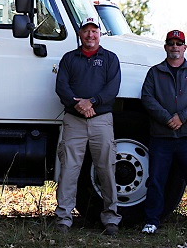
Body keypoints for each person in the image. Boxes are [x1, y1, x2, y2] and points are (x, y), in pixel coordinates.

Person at [140, 30, 187, 236]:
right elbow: (147, 98)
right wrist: (166, 118)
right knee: (156, 180)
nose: (174, 47)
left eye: (178, 43)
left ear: (184, 47)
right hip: (161, 137)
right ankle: (151, 220)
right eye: (171, 43)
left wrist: (182, 116)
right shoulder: (155, 72)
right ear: (165, 47)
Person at [54, 17, 122, 236]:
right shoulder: (69, 59)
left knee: (106, 169)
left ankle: (111, 218)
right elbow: (61, 87)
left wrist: (91, 102)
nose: (90, 35)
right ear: (80, 34)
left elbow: (112, 88)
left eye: (94, 31)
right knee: (69, 170)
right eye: (86, 31)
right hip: (74, 121)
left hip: (101, 120)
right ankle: (63, 218)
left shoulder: (110, 59)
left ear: (100, 34)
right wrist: (79, 105)